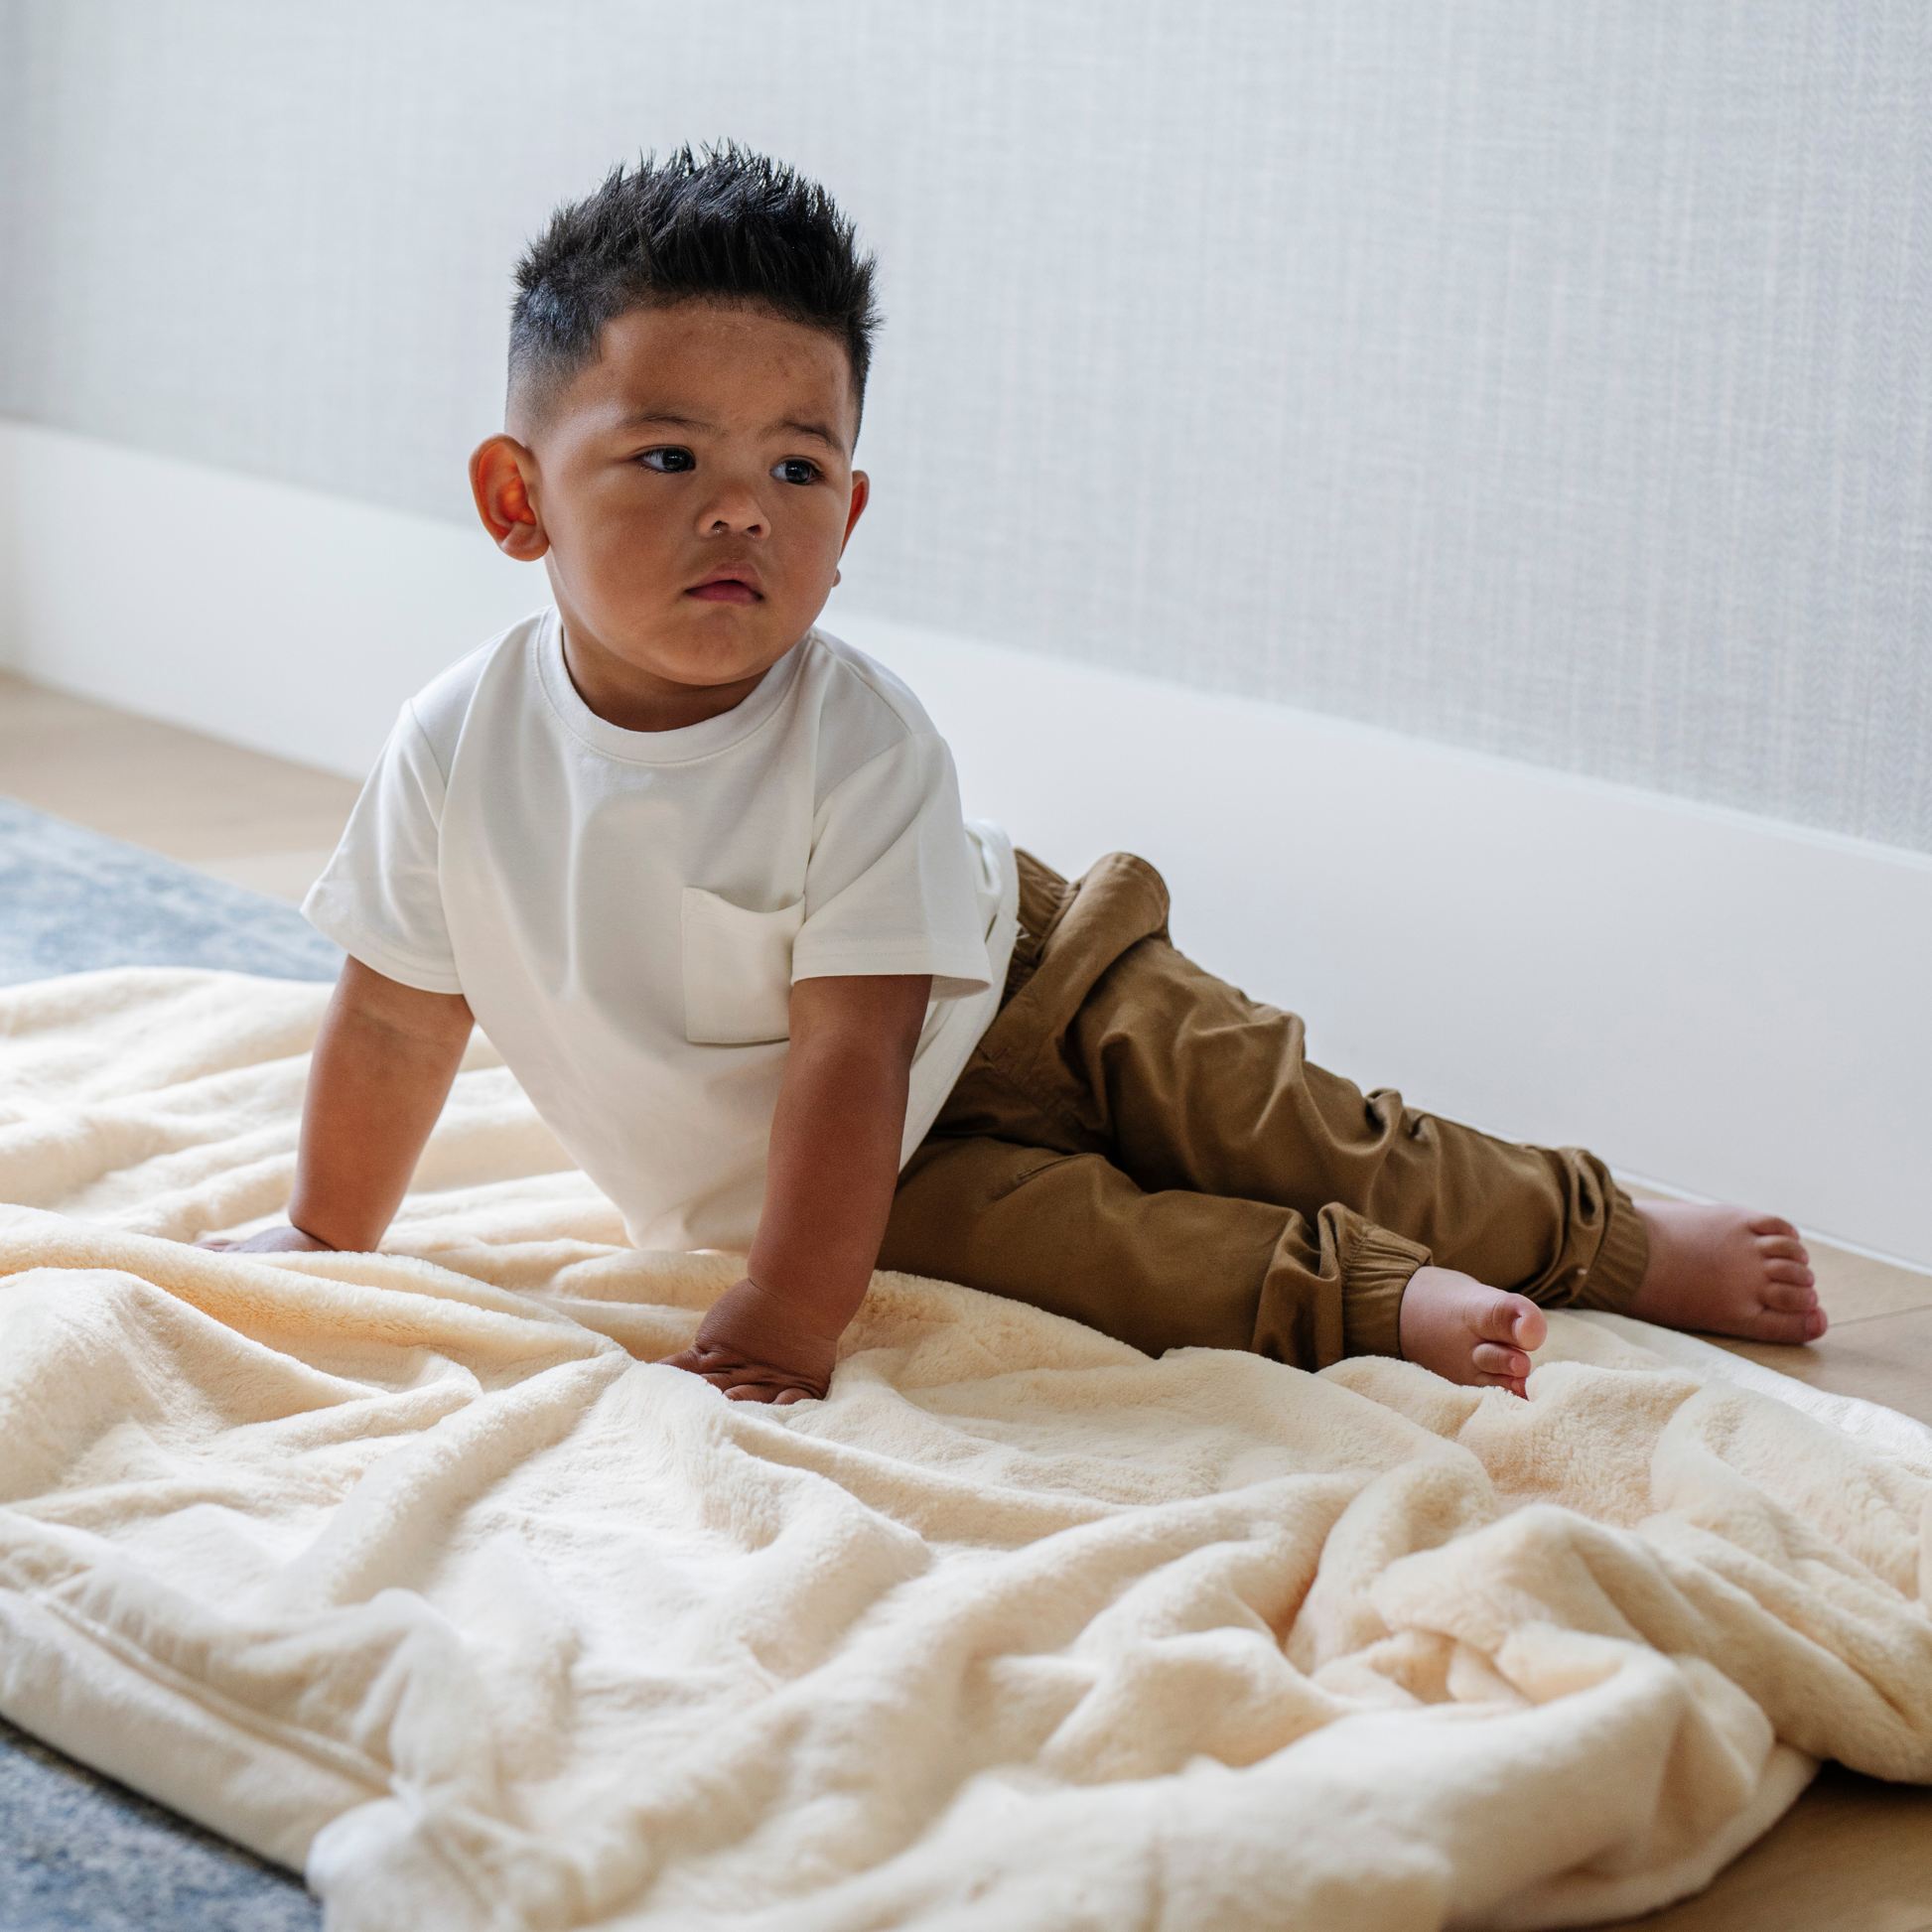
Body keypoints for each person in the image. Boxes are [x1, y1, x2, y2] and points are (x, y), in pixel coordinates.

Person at [199, 145, 1824, 1405]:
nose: (742, 509)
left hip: (1034, 992)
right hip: (858, 1171)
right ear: (514, 498)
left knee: (1302, 1125)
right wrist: (329, 1231)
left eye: (797, 466)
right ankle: (1372, 1303)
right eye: (670, 456)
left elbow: (854, 1047)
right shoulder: (451, 748)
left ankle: (1605, 1233)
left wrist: (786, 1302)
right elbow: (402, 1016)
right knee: (1089, 1256)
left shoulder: (859, 734)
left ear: (850, 513)